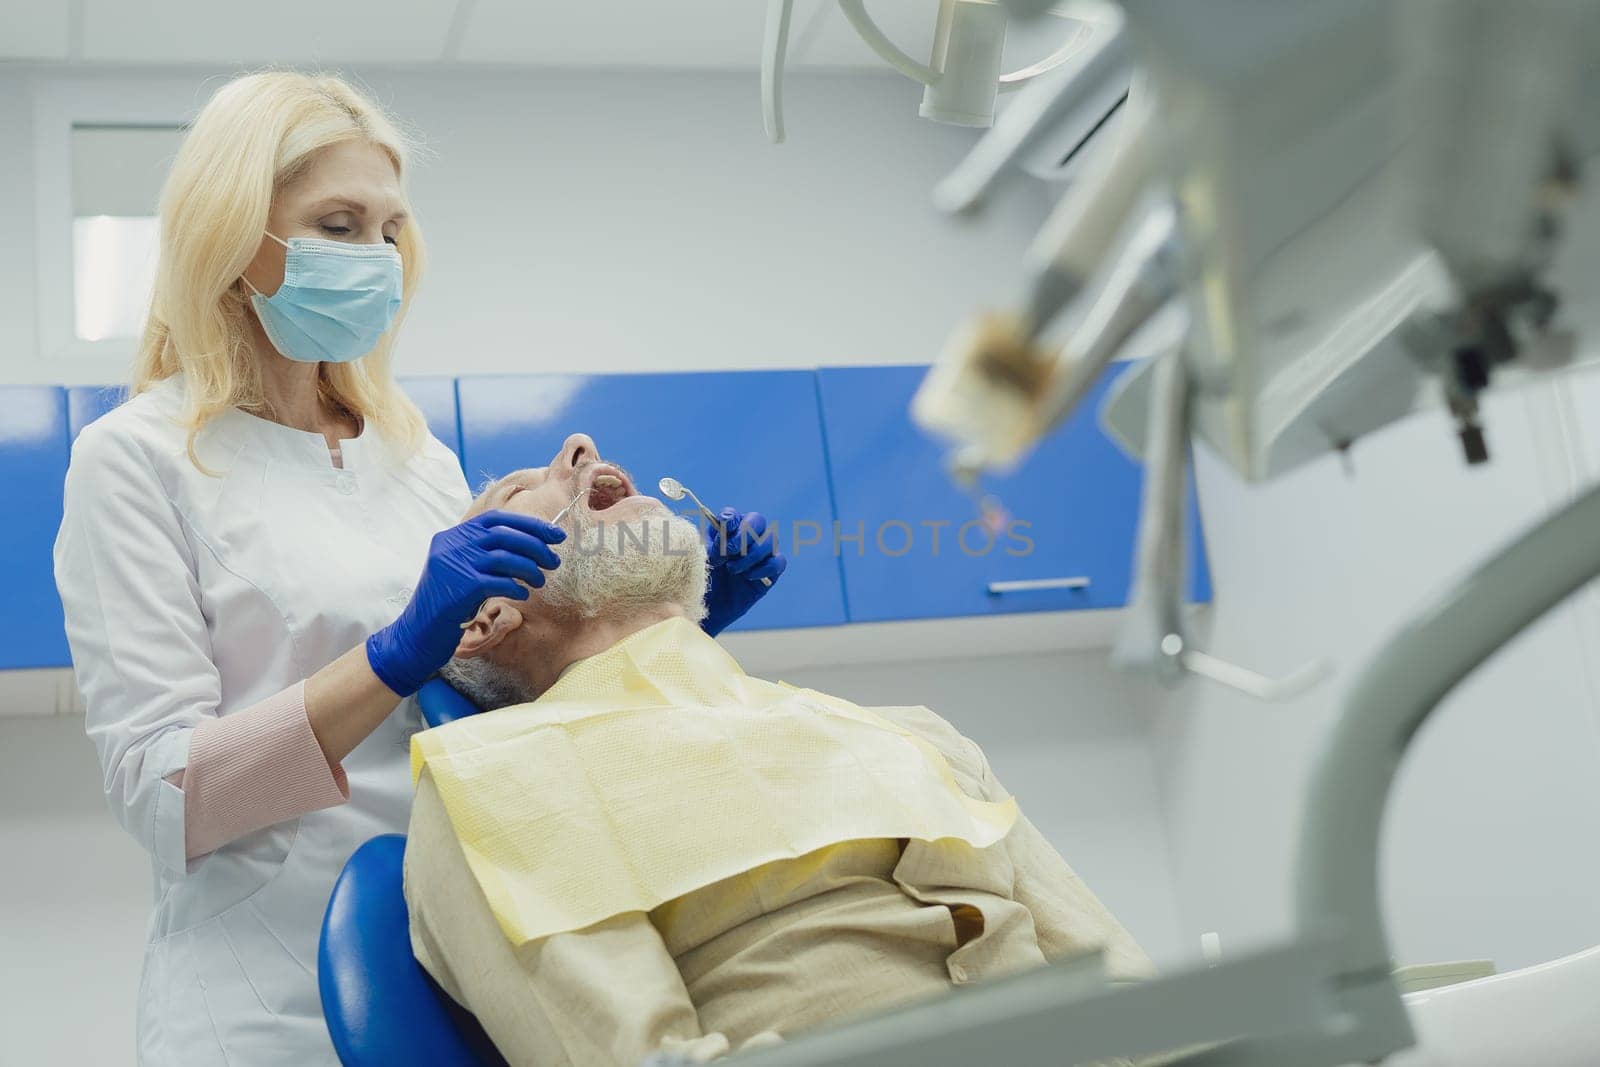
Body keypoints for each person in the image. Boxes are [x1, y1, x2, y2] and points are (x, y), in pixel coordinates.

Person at [52, 72, 782, 1066]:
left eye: (389, 230)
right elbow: (163, 793)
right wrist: (392, 654)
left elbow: (503, 696)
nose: (375, 257)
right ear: (230, 241)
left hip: (461, 964)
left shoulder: (417, 456)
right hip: (262, 999)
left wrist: (685, 626)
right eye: (337, 224)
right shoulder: (135, 459)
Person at [403, 440, 1155, 1067]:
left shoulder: (913, 732)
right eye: (524, 487)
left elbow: (1137, 999)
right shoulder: (497, 785)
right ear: (485, 618)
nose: (581, 449)